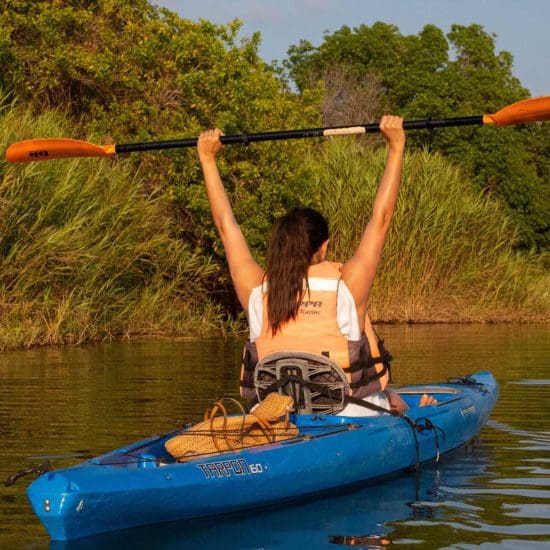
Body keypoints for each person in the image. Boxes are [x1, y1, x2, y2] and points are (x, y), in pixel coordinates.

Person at [197, 117, 435, 415]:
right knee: (391, 399)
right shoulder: (348, 283)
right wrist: (396, 145)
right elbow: (381, 218)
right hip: (348, 412)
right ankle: (406, 407)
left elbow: (225, 226)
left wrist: (207, 158)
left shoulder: (256, 289)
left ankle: (394, 401)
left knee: (392, 397)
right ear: (323, 246)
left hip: (271, 413)